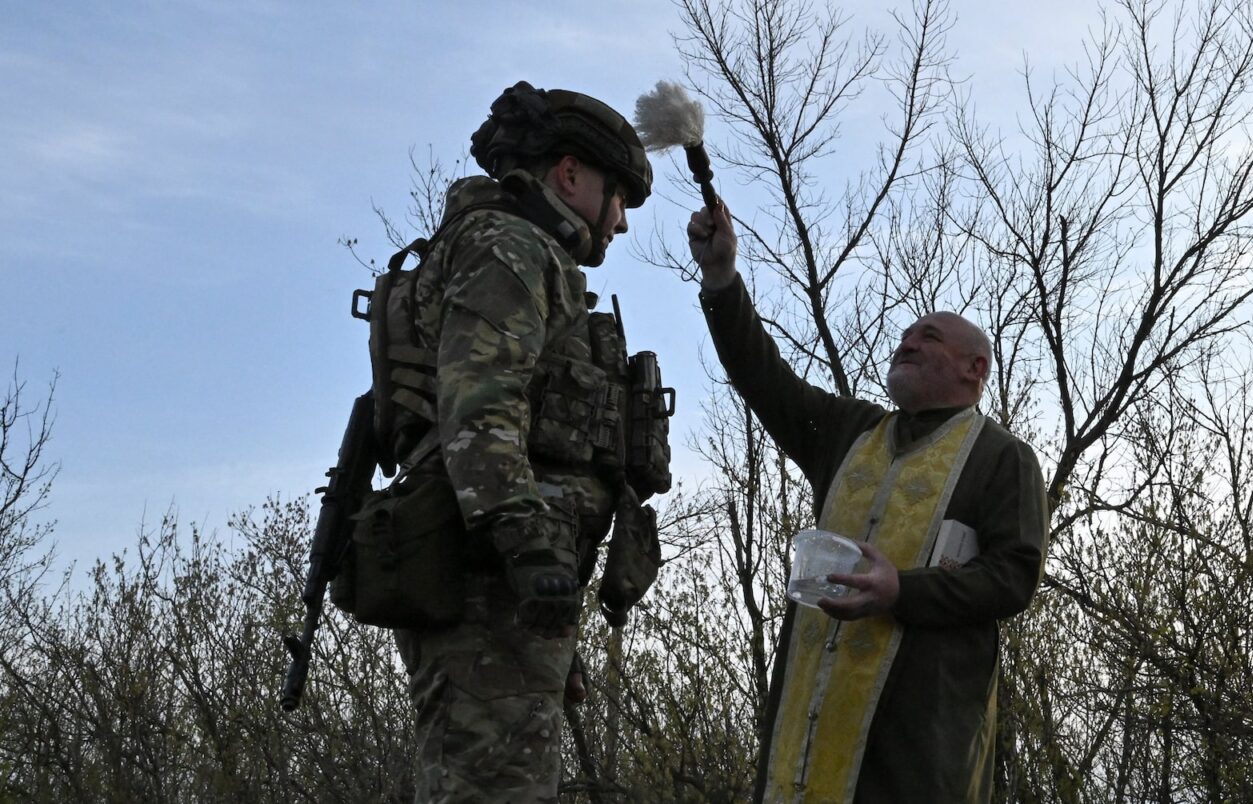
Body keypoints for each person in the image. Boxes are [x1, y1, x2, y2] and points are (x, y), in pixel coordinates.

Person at [687, 201, 1051, 803]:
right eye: (904, 337)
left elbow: (1013, 578)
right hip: (801, 743)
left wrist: (901, 592)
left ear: (974, 368)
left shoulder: (1001, 457)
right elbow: (762, 376)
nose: (906, 344)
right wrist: (722, 276)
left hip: (916, 757)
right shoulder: (849, 431)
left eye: (927, 338)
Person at [384, 81, 659, 803]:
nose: (621, 223)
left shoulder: (519, 249)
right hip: (492, 576)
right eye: (618, 196)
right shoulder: (508, 247)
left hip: (507, 578)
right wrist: (529, 552)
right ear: (569, 174)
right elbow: (480, 405)